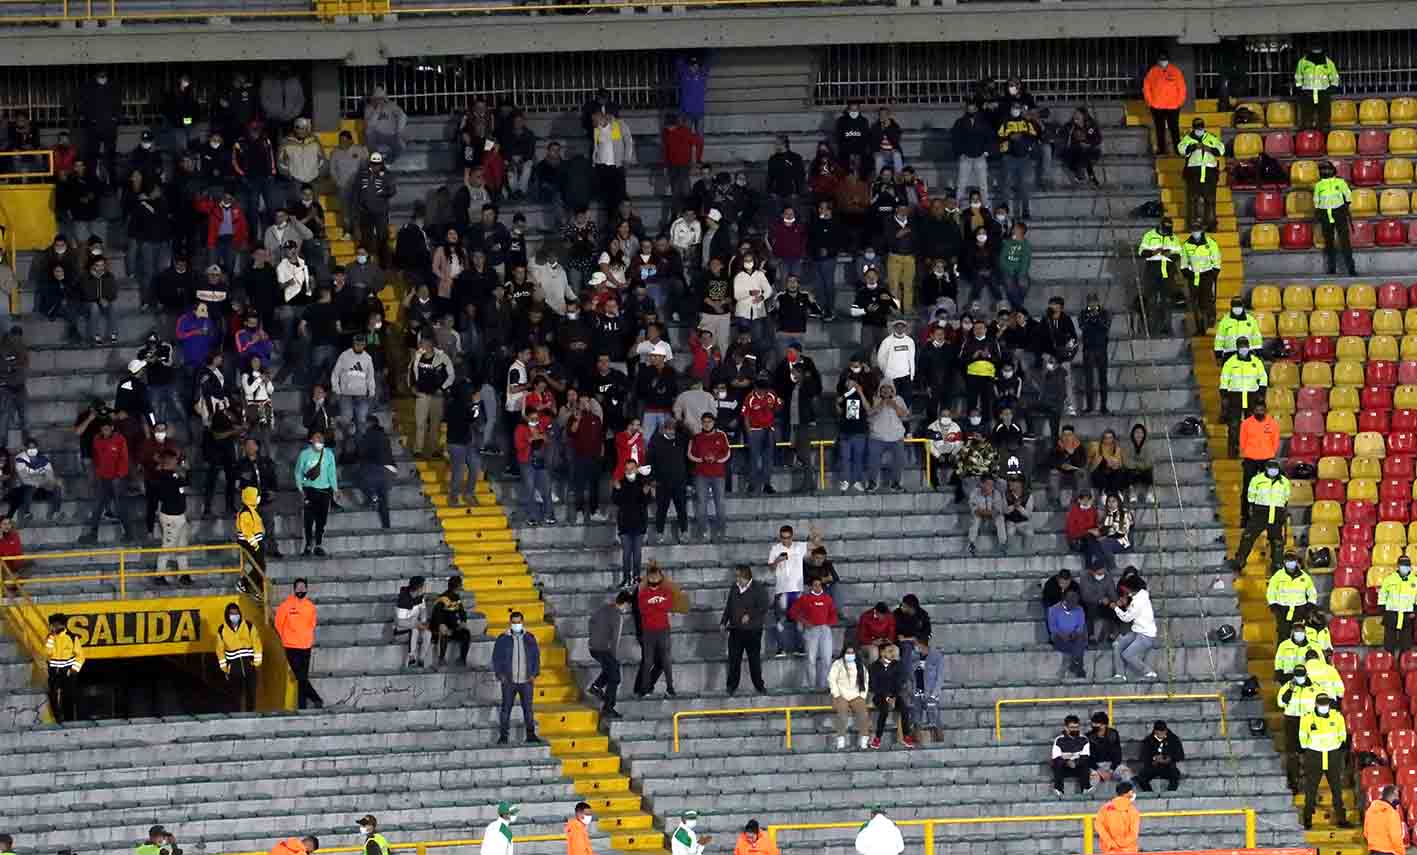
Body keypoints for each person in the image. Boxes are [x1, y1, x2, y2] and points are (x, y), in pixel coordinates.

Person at [1228, 458, 1290, 573]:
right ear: (1266, 469)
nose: (1273, 471)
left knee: (1277, 541)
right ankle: (1240, 561)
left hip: (1277, 512)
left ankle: (1277, 565)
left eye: (1275, 469)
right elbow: (1250, 496)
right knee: (1248, 536)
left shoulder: (1284, 481)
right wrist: (1254, 508)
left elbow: (1286, 496)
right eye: (1271, 469)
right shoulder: (1257, 480)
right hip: (1260, 512)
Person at [1300, 693, 1349, 829]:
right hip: (1314, 755)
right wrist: (1311, 748)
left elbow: (1342, 735)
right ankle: (1307, 818)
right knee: (1311, 788)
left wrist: (1335, 746)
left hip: (1332, 754)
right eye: (1321, 704)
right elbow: (1302, 737)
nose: (1324, 707)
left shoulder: (1337, 717)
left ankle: (1341, 818)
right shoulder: (1307, 718)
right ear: (1316, 704)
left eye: (1326, 704)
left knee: (1336, 788)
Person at [492, 611, 541, 744]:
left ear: (522, 622)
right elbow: (496, 658)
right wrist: (500, 675)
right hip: (509, 681)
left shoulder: (530, 638)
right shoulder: (502, 638)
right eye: (514, 622)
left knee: (528, 709)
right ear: (510, 623)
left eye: (518, 622)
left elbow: (536, 657)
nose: (516, 624)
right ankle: (503, 736)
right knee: (506, 709)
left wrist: (534, 674)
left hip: (526, 681)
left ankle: (531, 735)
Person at [274, 577, 324, 710]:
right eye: (298, 587)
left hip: (306, 647)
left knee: (302, 678)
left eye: (303, 587)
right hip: (291, 647)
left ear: (306, 589)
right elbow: (278, 624)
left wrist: (307, 638)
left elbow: (312, 624)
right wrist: (286, 638)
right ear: (294, 589)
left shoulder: (310, 606)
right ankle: (316, 698)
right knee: (300, 677)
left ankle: (302, 706)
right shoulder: (285, 606)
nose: (301, 590)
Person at [722, 564, 770, 696]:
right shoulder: (734, 588)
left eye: (738, 576)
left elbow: (764, 606)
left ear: (745, 575)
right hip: (735, 630)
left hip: (753, 631)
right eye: (736, 576)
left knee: (754, 660)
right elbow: (728, 607)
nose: (736, 579)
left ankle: (759, 686)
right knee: (734, 660)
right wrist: (723, 622)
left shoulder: (758, 588)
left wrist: (750, 615)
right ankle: (731, 686)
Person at [1219, 336, 1267, 458]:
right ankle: (1233, 452)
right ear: (1237, 347)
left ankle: (1253, 451)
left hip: (1252, 397)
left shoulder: (1256, 362)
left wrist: (1261, 394)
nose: (1243, 349)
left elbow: (1263, 378)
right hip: (1235, 396)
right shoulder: (1230, 363)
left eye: (1245, 346)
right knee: (1234, 426)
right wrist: (1224, 397)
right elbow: (1224, 380)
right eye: (1241, 346)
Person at [788, 575, 838, 690]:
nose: (817, 587)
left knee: (826, 658)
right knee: (811, 659)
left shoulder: (827, 598)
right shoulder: (805, 598)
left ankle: (824, 685)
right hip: (811, 631)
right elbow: (793, 612)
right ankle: (811, 685)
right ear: (811, 586)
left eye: (819, 585)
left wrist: (828, 624)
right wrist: (804, 622)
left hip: (825, 630)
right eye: (815, 585)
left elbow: (833, 614)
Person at [588, 590, 632, 719]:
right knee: (615, 677)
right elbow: (615, 639)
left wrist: (592, 639)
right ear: (625, 603)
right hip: (605, 649)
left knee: (610, 669)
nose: (627, 609)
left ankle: (596, 687)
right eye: (628, 606)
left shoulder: (603, 608)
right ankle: (608, 708)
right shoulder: (618, 616)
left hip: (593, 648)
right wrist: (614, 655)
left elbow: (591, 621)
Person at [635, 564, 676, 698]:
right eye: (652, 577)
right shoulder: (643, 592)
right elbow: (643, 610)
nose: (654, 579)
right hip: (648, 632)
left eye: (656, 576)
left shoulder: (666, 590)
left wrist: (654, 603)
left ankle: (670, 687)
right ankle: (645, 688)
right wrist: (658, 603)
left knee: (666, 660)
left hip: (663, 630)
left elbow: (668, 605)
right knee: (648, 661)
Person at [295, 430, 338, 557]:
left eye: (321, 440)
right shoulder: (304, 454)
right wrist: (300, 489)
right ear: (311, 441)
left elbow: (332, 472)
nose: (319, 442)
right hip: (310, 490)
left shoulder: (329, 454)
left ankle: (318, 544)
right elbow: (298, 472)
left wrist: (335, 489)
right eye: (316, 439)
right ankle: (308, 545)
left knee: (321, 520)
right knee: (308, 519)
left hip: (325, 491)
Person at [1237, 400, 1280, 524]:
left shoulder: (1272, 423)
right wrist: (1249, 453)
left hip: (1267, 459)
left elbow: (1275, 442)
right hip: (1250, 459)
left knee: (1269, 488)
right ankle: (1244, 517)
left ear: (1265, 410)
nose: (1259, 412)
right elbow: (1242, 441)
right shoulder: (1246, 424)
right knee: (1247, 489)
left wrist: (1269, 453)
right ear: (1253, 411)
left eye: (1262, 410)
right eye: (1257, 410)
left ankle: (1267, 516)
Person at [1177, 119, 1224, 232]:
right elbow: (1181, 149)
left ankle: (1211, 224)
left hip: (1209, 173)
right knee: (1193, 200)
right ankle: (1192, 225)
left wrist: (1210, 149)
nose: (1199, 130)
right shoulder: (1187, 139)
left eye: (1201, 127)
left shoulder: (1211, 137)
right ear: (1193, 127)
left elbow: (1221, 150)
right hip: (1193, 173)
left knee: (1210, 200)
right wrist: (1194, 147)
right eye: (1197, 127)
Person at [215, 601, 263, 712]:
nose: (234, 616)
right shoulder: (222, 630)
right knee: (235, 697)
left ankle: (250, 717)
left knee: (251, 695)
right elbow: (219, 651)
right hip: (234, 670)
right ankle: (236, 718)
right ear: (227, 615)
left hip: (249, 667)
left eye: (236, 613)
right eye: (232, 613)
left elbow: (257, 644)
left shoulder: (249, 626)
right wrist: (225, 669)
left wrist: (256, 663)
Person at [1136, 219, 1180, 337]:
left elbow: (1179, 254)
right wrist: (1153, 252)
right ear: (1160, 227)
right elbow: (1141, 252)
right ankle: (1152, 328)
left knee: (1167, 300)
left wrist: (1170, 254)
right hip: (1152, 271)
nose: (1167, 233)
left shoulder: (1174, 237)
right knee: (1152, 300)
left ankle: (1167, 327)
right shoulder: (1149, 235)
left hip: (1168, 271)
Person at [1314, 159, 1357, 276]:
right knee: (1329, 243)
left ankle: (1351, 269)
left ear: (1333, 170)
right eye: (1323, 169)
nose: (1325, 171)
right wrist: (1319, 212)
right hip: (1325, 215)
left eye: (1328, 169)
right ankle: (1332, 268)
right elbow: (1316, 200)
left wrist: (1345, 205)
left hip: (1339, 213)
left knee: (1345, 242)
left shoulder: (1340, 182)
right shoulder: (1318, 185)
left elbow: (1348, 195)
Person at [997, 102, 1039, 220]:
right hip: (1009, 158)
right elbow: (999, 136)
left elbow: (1034, 135)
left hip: (1024, 158)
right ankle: (1005, 212)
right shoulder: (1004, 121)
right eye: (1014, 107)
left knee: (1025, 185)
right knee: (1006, 185)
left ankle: (1025, 211)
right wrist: (1010, 137)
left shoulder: (1026, 122)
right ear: (1010, 109)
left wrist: (1023, 137)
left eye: (1017, 108)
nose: (1016, 110)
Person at [1110, 579, 1158, 681]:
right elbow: (1133, 611)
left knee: (1127, 654)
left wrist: (1115, 608)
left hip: (1146, 636)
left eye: (1126, 589)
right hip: (1136, 631)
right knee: (1117, 646)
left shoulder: (1137, 601)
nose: (1125, 592)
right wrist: (1125, 604)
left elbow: (1126, 618)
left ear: (1131, 589)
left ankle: (1148, 672)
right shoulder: (1142, 594)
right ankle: (1120, 675)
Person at [1179, 223, 1221, 335]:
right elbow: (1183, 263)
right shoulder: (1186, 245)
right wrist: (1187, 273)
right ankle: (1200, 327)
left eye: (1197, 230)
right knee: (1195, 303)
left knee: (1207, 299)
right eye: (1193, 230)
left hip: (1207, 274)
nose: (1195, 232)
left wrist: (1214, 272)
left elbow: (1216, 258)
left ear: (1201, 231)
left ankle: (1211, 319)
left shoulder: (1210, 243)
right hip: (1193, 276)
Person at [868, 643, 912, 749]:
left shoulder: (898, 664)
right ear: (882, 653)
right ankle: (877, 738)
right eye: (889, 651)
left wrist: (894, 697)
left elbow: (899, 683)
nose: (892, 654)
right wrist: (887, 697)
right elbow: (874, 685)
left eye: (892, 651)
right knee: (884, 710)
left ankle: (906, 736)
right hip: (880, 696)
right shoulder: (874, 666)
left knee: (904, 709)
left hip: (895, 695)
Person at [1268, 551, 1318, 639]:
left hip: (1300, 610)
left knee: (1298, 635)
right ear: (1284, 561)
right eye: (1288, 560)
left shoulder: (1305, 577)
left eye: (1292, 560)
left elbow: (1312, 591)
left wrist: (1310, 605)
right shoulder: (1278, 576)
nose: (1290, 562)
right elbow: (1271, 590)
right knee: (1283, 635)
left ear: (1296, 561)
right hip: (1283, 609)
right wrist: (1273, 604)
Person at [829, 643, 871, 750]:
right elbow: (831, 679)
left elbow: (865, 681)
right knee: (842, 715)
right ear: (844, 653)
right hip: (841, 694)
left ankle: (864, 740)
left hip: (856, 695)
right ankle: (841, 740)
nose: (850, 654)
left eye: (852, 653)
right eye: (848, 652)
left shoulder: (860, 665)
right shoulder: (837, 664)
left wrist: (862, 696)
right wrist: (836, 695)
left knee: (864, 715)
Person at [1142, 52, 1185, 155]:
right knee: (1159, 130)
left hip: (1173, 106)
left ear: (1168, 60)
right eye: (1161, 60)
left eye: (1164, 60)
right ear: (1158, 61)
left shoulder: (1175, 71)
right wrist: (1150, 102)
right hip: (1157, 106)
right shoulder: (1152, 72)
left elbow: (1182, 88)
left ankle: (1177, 150)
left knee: (1174, 129)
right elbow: (1146, 87)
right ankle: (1161, 150)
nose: (1163, 62)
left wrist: (1179, 102)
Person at [44, 612, 84, 722]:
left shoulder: (72, 637)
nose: (52, 627)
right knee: (52, 695)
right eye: (51, 625)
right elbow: (48, 652)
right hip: (54, 671)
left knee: (68, 697)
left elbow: (80, 656)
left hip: (67, 672)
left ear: (62, 625)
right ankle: (58, 718)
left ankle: (69, 720)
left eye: (54, 625)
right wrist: (51, 638)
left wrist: (73, 670)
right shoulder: (50, 637)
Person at [1295, 45, 1340, 133]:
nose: (1316, 52)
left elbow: (1335, 77)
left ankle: (1323, 139)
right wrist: (1300, 88)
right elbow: (1298, 76)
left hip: (1323, 93)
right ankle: (1306, 139)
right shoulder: (1302, 62)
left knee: (1324, 121)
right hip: (1307, 93)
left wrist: (1331, 89)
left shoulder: (1328, 62)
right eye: (1314, 49)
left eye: (1318, 49)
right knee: (1306, 120)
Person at [431, 575, 472, 667]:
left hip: (454, 628)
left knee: (466, 634)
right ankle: (441, 658)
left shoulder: (457, 598)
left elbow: (462, 612)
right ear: (457, 587)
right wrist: (441, 624)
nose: (461, 587)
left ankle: (462, 659)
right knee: (444, 633)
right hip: (442, 629)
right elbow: (436, 615)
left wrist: (463, 621)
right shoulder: (442, 598)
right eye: (460, 586)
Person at [1380, 556, 1417, 653]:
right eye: (1402, 565)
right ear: (1398, 566)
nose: (1404, 567)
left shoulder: (1415, 580)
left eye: (1406, 565)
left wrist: (1415, 611)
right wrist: (1383, 610)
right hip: (1391, 614)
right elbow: (1382, 595)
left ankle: (1403, 664)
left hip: (1407, 616)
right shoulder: (1389, 579)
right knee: (1389, 645)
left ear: (1410, 567)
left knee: (1406, 645)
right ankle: (1389, 665)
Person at [1135, 720, 1185, 792]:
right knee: (1141, 777)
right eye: (1159, 733)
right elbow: (1143, 756)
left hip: (1168, 767)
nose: (1161, 735)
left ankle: (1170, 794)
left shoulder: (1173, 739)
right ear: (1155, 731)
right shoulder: (1148, 740)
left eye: (1163, 733)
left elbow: (1180, 755)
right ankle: (1150, 794)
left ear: (1166, 731)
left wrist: (1169, 759)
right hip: (1153, 766)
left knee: (1175, 775)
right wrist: (1154, 759)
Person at [1048, 589, 1088, 679]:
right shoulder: (1053, 610)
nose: (1075, 605)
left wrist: (1074, 634)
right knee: (1078, 645)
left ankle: (1075, 665)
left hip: (1075, 636)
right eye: (1072, 603)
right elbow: (1052, 627)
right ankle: (1078, 667)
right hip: (1059, 637)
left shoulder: (1079, 609)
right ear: (1065, 601)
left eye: (1076, 602)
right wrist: (1062, 634)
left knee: (1080, 640)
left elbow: (1080, 626)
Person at [395, 576, 433, 669]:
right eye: (424, 586)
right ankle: (411, 658)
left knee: (428, 633)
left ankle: (421, 659)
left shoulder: (420, 597)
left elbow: (423, 612)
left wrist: (424, 622)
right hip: (401, 632)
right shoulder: (403, 599)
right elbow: (400, 623)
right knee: (414, 631)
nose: (425, 588)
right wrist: (417, 624)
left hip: (416, 627)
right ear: (419, 588)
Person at [1051, 714, 1093, 795]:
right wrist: (1067, 762)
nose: (1075, 730)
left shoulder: (1084, 739)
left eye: (1076, 727)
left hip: (1078, 768)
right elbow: (1056, 757)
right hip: (1064, 768)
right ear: (1066, 728)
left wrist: (1075, 763)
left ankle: (1085, 788)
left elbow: (1085, 756)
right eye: (1072, 728)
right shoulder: (1059, 740)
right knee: (1057, 763)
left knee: (1086, 762)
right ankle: (1058, 789)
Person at [1088, 711, 1131, 786]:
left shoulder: (1113, 734)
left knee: (1126, 772)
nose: (1093, 726)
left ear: (1104, 725)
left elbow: (1118, 755)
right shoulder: (1088, 736)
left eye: (1096, 724)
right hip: (1095, 766)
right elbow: (1087, 759)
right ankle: (1088, 797)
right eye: (1093, 723)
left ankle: (1124, 796)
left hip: (1111, 765)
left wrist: (1111, 770)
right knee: (1093, 777)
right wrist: (1099, 771)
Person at [1214, 296, 1262, 363]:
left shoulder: (1251, 320)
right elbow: (1219, 339)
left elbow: (1256, 338)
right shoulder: (1224, 321)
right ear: (1231, 307)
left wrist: (1259, 353)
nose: (1237, 308)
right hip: (1229, 354)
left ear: (1243, 306)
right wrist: (1218, 355)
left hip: (1247, 353)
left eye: (1239, 306)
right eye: (1235, 306)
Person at [1095, 783, 1140, 854]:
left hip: (1109, 849)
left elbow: (1099, 826)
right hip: (1129, 850)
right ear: (1129, 793)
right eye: (1132, 791)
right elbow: (1134, 833)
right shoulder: (1132, 810)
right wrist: (1122, 845)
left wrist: (1111, 843)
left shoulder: (1104, 808)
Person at [967, 476, 1006, 556]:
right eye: (988, 484)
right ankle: (971, 544)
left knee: (1000, 518)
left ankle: (1002, 544)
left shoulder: (996, 493)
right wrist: (988, 512)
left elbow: (997, 511)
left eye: (992, 484)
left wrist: (986, 512)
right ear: (981, 484)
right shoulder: (974, 493)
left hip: (992, 520)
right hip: (980, 520)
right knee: (976, 518)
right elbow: (976, 511)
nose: (990, 486)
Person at [1364, 785, 1404, 855]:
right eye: (1397, 796)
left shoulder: (1370, 811)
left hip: (1373, 851)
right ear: (1393, 795)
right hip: (1389, 852)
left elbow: (1366, 833)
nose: (1398, 799)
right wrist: (1401, 852)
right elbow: (1395, 837)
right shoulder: (1392, 813)